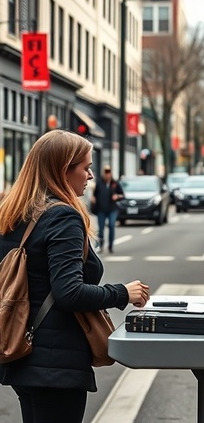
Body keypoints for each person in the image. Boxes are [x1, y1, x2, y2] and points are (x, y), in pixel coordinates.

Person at [0, 130, 150, 423]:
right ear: (63, 170)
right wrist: (123, 293)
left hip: (20, 350)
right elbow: (69, 292)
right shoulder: (62, 217)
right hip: (55, 363)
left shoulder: (13, 212)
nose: (90, 176)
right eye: (86, 167)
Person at [91, 165, 124, 253]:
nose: (107, 174)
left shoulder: (115, 183)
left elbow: (122, 195)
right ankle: (100, 245)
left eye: (108, 172)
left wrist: (117, 196)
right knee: (101, 229)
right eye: (106, 172)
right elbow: (95, 194)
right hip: (101, 209)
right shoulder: (99, 183)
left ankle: (110, 246)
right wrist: (93, 199)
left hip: (112, 209)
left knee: (111, 225)